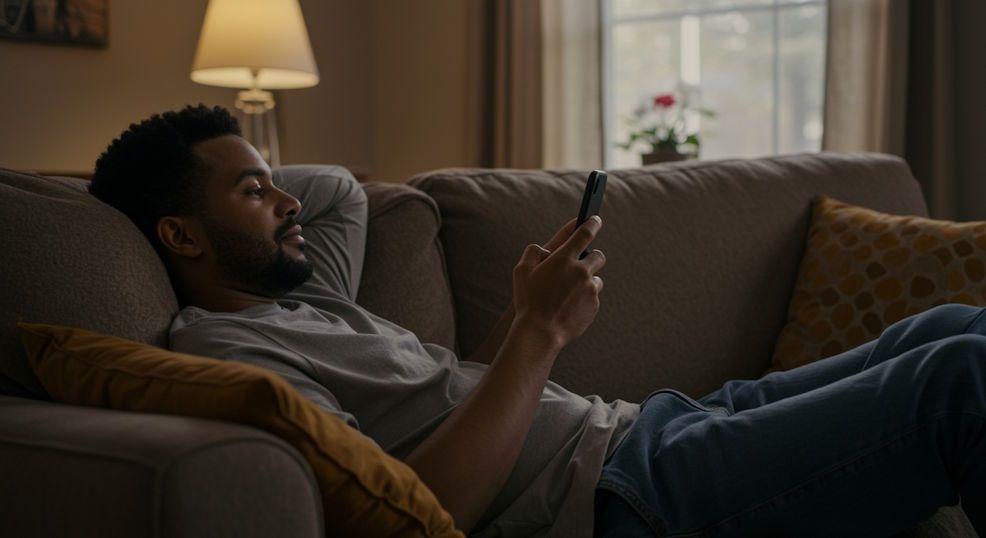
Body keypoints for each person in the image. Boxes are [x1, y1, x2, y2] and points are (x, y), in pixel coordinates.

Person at [89, 105, 985, 537]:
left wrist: (520, 315)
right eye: (252, 191)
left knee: (946, 326)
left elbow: (336, 193)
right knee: (960, 385)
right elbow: (428, 504)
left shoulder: (300, 294)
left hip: (655, 426)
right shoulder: (231, 353)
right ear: (180, 236)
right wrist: (540, 337)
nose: (288, 203)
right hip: (623, 496)